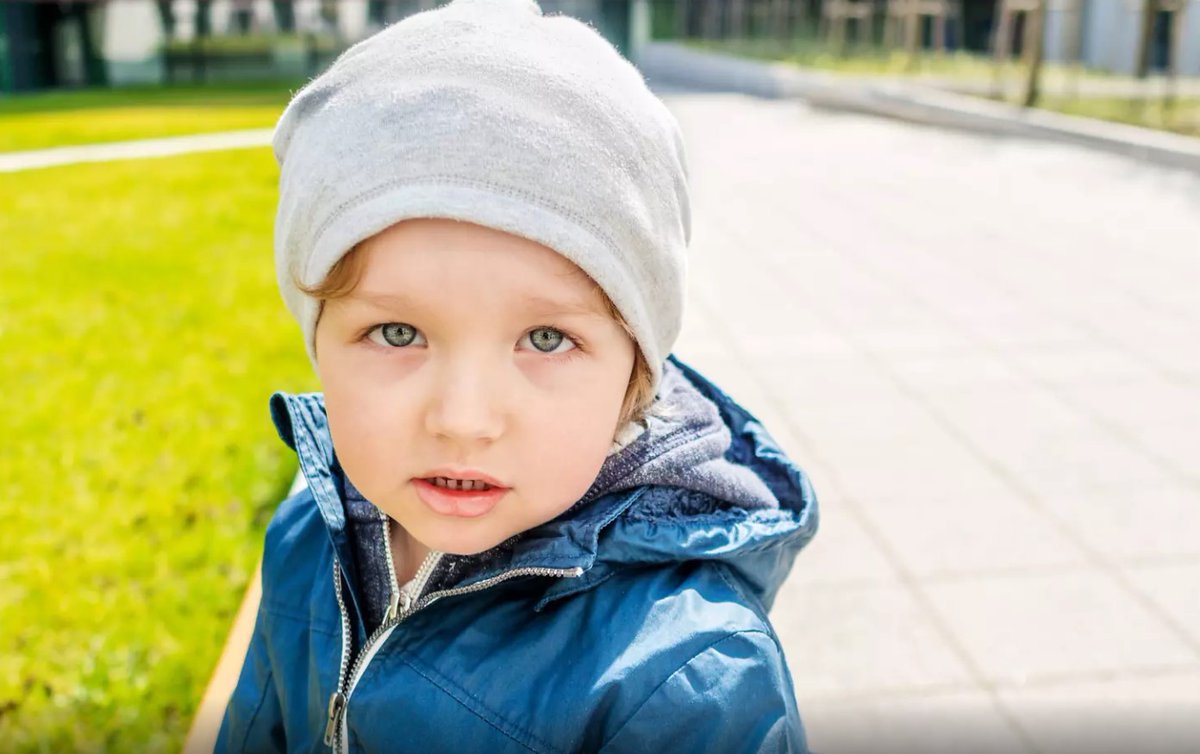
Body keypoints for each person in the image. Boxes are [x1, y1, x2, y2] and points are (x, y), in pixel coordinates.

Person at [214, 0, 820, 751]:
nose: (464, 419)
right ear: (318, 343)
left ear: (637, 374)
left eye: (545, 338)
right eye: (397, 332)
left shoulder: (688, 682)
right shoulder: (310, 528)